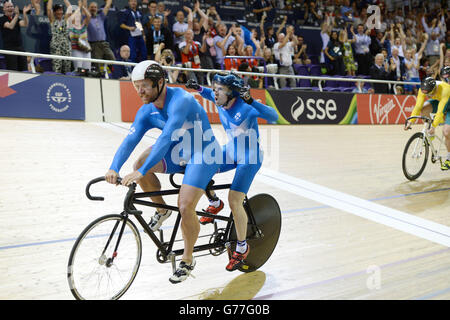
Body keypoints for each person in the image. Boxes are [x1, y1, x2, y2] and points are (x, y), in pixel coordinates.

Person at [105, 60, 221, 283]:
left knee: (186, 205)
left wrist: (143, 171)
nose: (140, 91)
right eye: (136, 86)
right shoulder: (146, 111)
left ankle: (187, 260)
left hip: (203, 152)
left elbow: (166, 137)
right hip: (179, 151)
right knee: (139, 164)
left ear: (160, 82)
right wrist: (113, 167)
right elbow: (131, 139)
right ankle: (162, 210)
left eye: (145, 86)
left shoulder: (182, 100)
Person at [185, 72, 278, 271]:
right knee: (201, 167)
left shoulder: (246, 108)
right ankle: (213, 203)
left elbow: (274, 116)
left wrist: (252, 101)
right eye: (215, 88)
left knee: (235, 200)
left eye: (219, 89)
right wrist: (199, 89)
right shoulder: (222, 100)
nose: (215, 93)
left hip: (249, 157)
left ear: (232, 94)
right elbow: (210, 95)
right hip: (232, 150)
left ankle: (242, 247)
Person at [405, 77, 450, 170]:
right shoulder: (423, 89)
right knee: (424, 108)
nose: (428, 95)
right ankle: (431, 133)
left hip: (447, 103)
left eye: (430, 94)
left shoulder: (445, 89)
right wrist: (411, 121)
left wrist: (434, 126)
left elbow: (440, 112)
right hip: (439, 101)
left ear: (434, 89)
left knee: (446, 132)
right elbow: (418, 106)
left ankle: (449, 158)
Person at [0, 2, 31, 71]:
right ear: (4, 9)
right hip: (10, 49)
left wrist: (24, 14)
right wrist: (17, 15)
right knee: (13, 71)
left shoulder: (16, 18)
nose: (10, 8)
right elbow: (10, 26)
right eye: (8, 7)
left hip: (20, 48)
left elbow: (25, 24)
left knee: (24, 70)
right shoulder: (2, 19)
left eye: (11, 6)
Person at [87, 0, 116, 73]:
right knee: (97, 66)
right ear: (88, 8)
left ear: (97, 8)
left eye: (95, 7)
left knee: (112, 59)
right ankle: (99, 78)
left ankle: (114, 75)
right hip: (94, 45)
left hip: (104, 43)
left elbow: (107, 6)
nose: (93, 8)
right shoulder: (87, 18)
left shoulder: (101, 17)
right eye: (91, 7)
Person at [47, 0, 73, 74]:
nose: (60, 12)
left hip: (66, 47)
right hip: (56, 47)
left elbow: (70, 8)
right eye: (58, 10)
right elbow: (49, 9)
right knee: (57, 67)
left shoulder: (65, 20)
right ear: (54, 12)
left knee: (67, 67)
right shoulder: (53, 20)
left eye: (61, 10)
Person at [68, 1, 92, 72]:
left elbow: (89, 16)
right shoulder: (70, 26)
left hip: (86, 50)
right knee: (79, 70)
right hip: (76, 50)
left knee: (87, 70)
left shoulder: (84, 25)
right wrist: (78, 8)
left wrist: (83, 7)